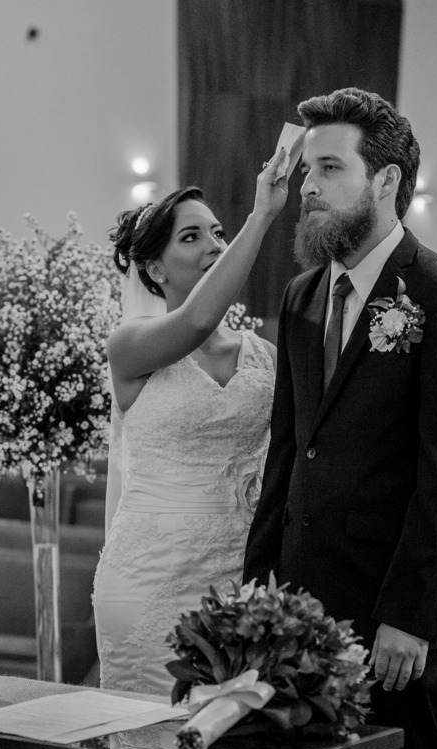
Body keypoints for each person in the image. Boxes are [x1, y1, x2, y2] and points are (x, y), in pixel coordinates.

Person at [244, 87, 437, 749]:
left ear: (385, 181)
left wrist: (408, 617)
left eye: (330, 168)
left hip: (397, 620)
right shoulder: (302, 296)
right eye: (308, 170)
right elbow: (288, 452)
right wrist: (258, 591)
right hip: (303, 605)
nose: (308, 187)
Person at [93, 153, 289, 694]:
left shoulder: (265, 357)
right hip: (149, 578)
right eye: (191, 237)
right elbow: (198, 320)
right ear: (155, 270)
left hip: (240, 577)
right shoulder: (131, 345)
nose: (214, 245)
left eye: (219, 233)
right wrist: (261, 216)